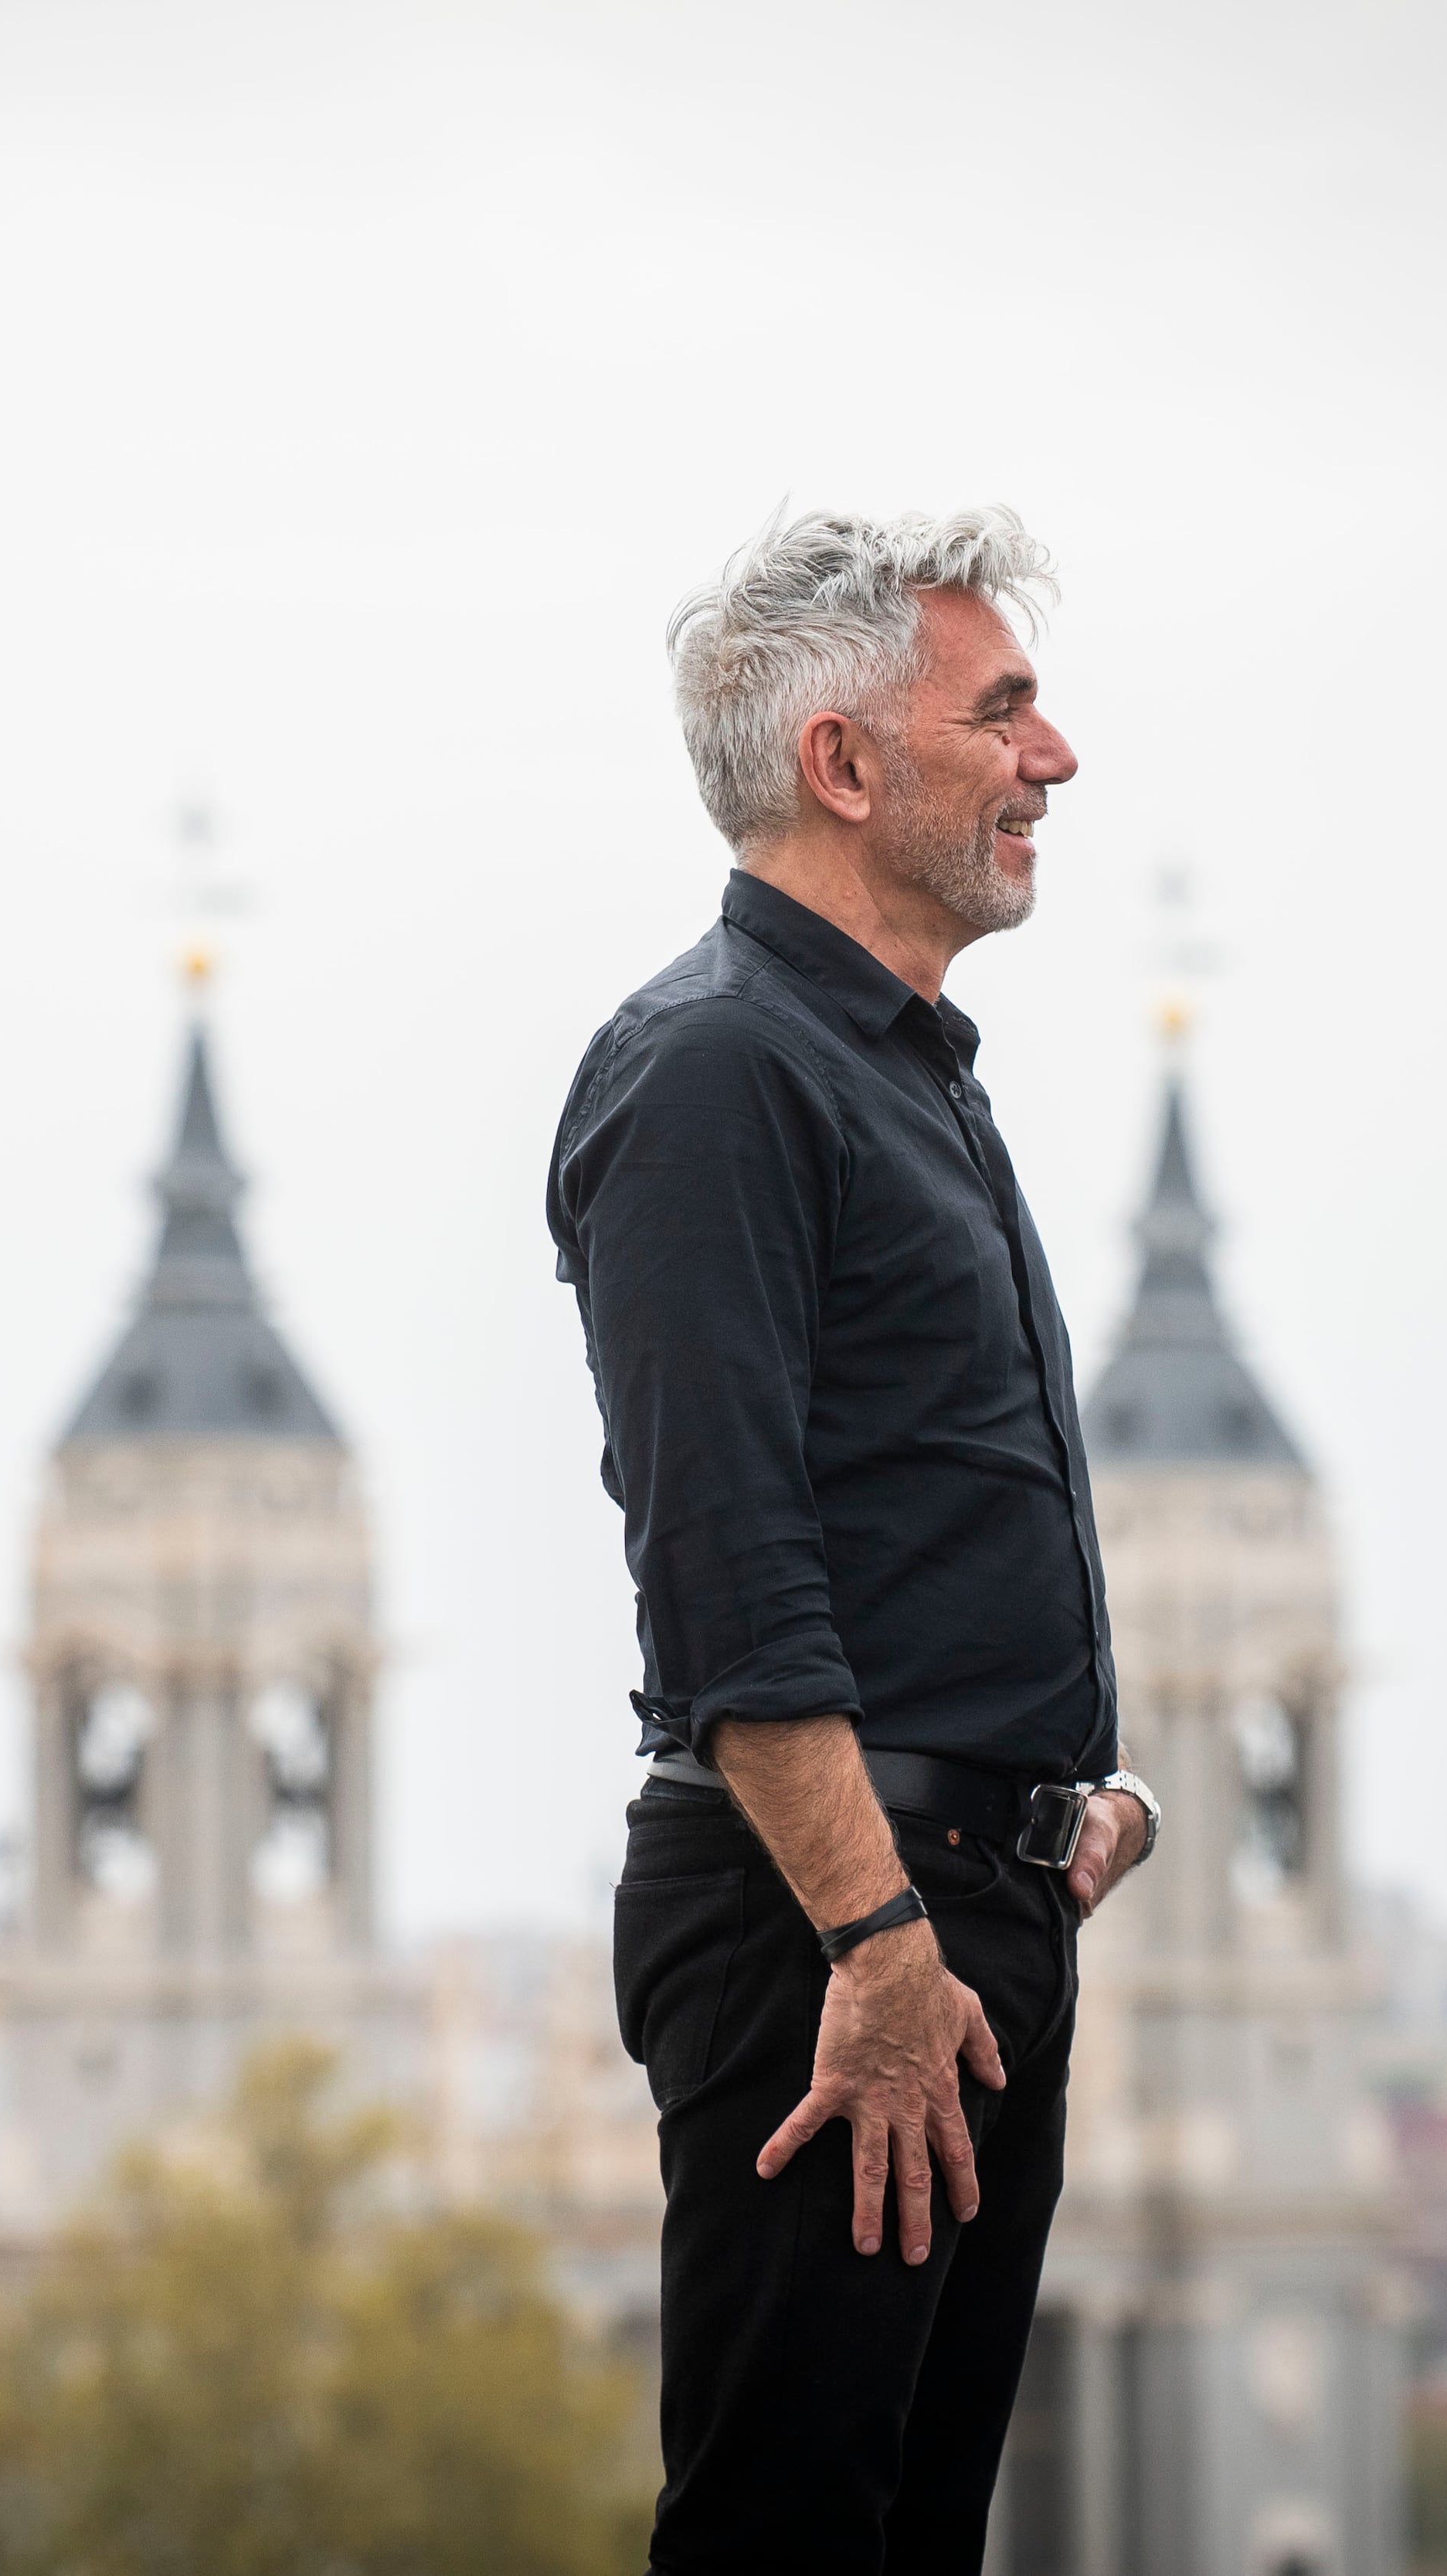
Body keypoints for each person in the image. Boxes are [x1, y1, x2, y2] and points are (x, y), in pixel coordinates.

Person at [548, 508, 1160, 2574]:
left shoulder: (896, 1072)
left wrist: (1067, 1789)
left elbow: (915, 1513)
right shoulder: (716, 1069)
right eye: (1001, 714)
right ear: (843, 765)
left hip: (967, 1905)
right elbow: (727, 1573)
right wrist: (880, 1940)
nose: (1053, 757)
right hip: (842, 1935)